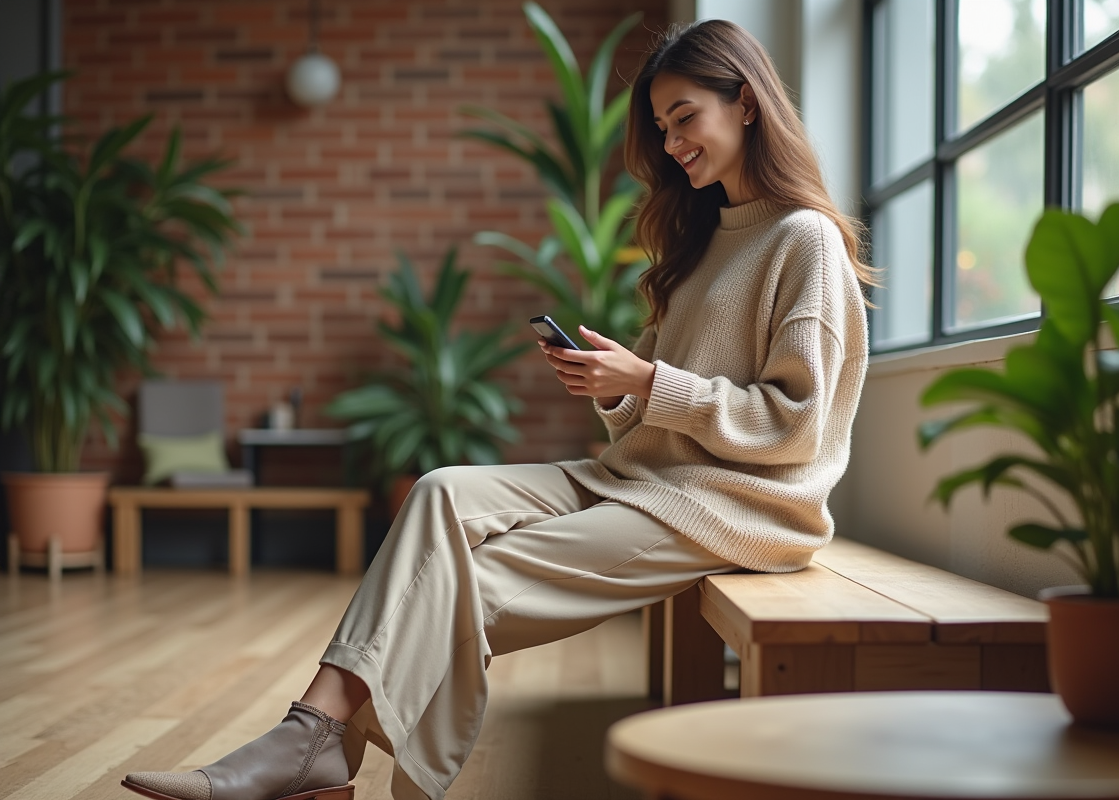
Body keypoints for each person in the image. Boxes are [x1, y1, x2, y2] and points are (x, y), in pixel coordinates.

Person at [121, 17, 875, 800]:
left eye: (686, 118)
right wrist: (616, 389)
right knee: (441, 489)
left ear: (746, 103)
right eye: (661, 127)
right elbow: (658, 409)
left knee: (467, 587)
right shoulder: (705, 236)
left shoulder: (803, 240)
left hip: (727, 505)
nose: (673, 142)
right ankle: (311, 740)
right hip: (640, 475)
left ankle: (320, 749)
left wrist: (651, 384)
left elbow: (797, 426)